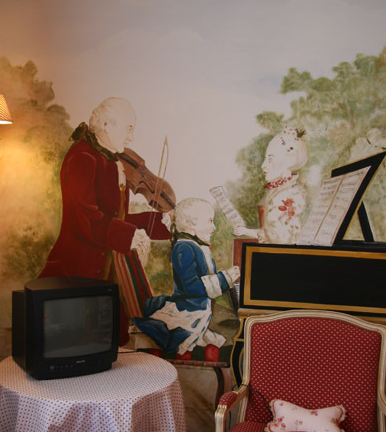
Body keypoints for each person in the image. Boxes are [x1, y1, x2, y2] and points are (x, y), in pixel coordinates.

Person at [39, 97, 172, 344]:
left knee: (110, 342)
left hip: (105, 270)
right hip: (79, 269)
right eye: (128, 129)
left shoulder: (110, 159)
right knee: (80, 341)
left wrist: (161, 221)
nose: (131, 137)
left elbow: (117, 218)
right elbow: (88, 220)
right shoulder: (82, 158)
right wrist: (129, 235)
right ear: (106, 125)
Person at [133, 198, 240, 361]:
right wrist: (224, 279)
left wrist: (227, 277)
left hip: (201, 307)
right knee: (227, 326)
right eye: (209, 221)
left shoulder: (199, 246)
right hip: (189, 309)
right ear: (191, 225)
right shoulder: (184, 248)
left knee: (227, 325)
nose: (214, 227)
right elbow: (191, 287)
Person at [259, 127, 308, 244]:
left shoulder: (290, 194)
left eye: (270, 159)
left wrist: (248, 231)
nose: (263, 165)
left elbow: (280, 239)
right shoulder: (277, 190)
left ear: (288, 162)